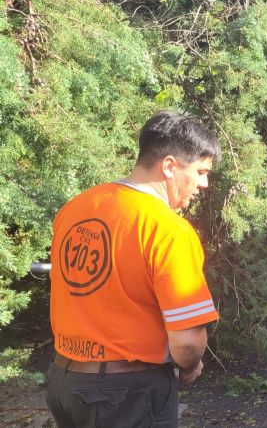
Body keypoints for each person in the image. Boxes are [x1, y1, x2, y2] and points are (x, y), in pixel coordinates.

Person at [46, 111, 222, 427]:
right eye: (201, 171)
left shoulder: (76, 207)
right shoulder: (168, 229)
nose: (204, 184)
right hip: (127, 395)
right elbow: (187, 342)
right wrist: (191, 366)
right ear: (170, 166)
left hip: (64, 383)